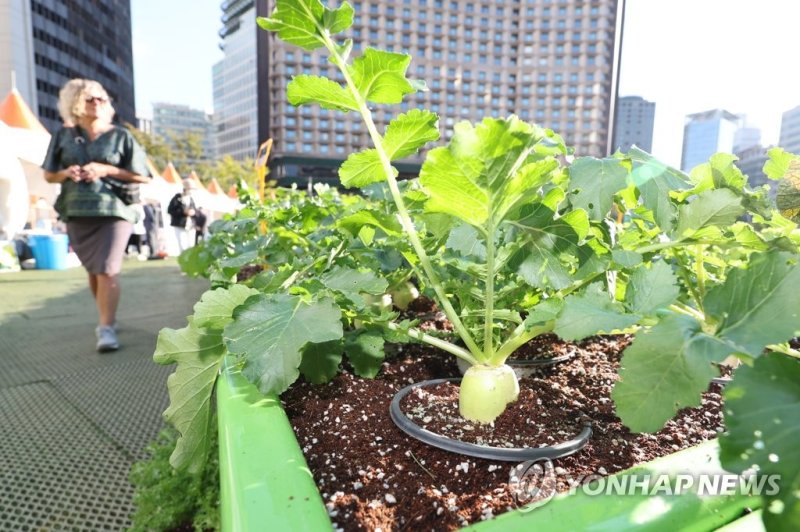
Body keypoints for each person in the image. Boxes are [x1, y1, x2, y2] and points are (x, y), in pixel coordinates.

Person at [42, 79, 151, 352]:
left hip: (114, 210)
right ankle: (107, 316)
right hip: (77, 209)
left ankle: (106, 327)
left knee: (109, 268)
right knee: (95, 270)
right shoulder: (63, 135)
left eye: (102, 99)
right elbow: (49, 173)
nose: (97, 103)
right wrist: (68, 173)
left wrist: (106, 169)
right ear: (75, 102)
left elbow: (142, 175)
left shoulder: (121, 136)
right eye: (90, 99)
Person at [168, 178, 197, 252]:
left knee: (191, 245)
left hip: (190, 225)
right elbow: (170, 210)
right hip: (180, 224)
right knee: (182, 245)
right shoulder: (177, 198)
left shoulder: (191, 199)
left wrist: (193, 212)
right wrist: (183, 212)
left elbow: (195, 211)